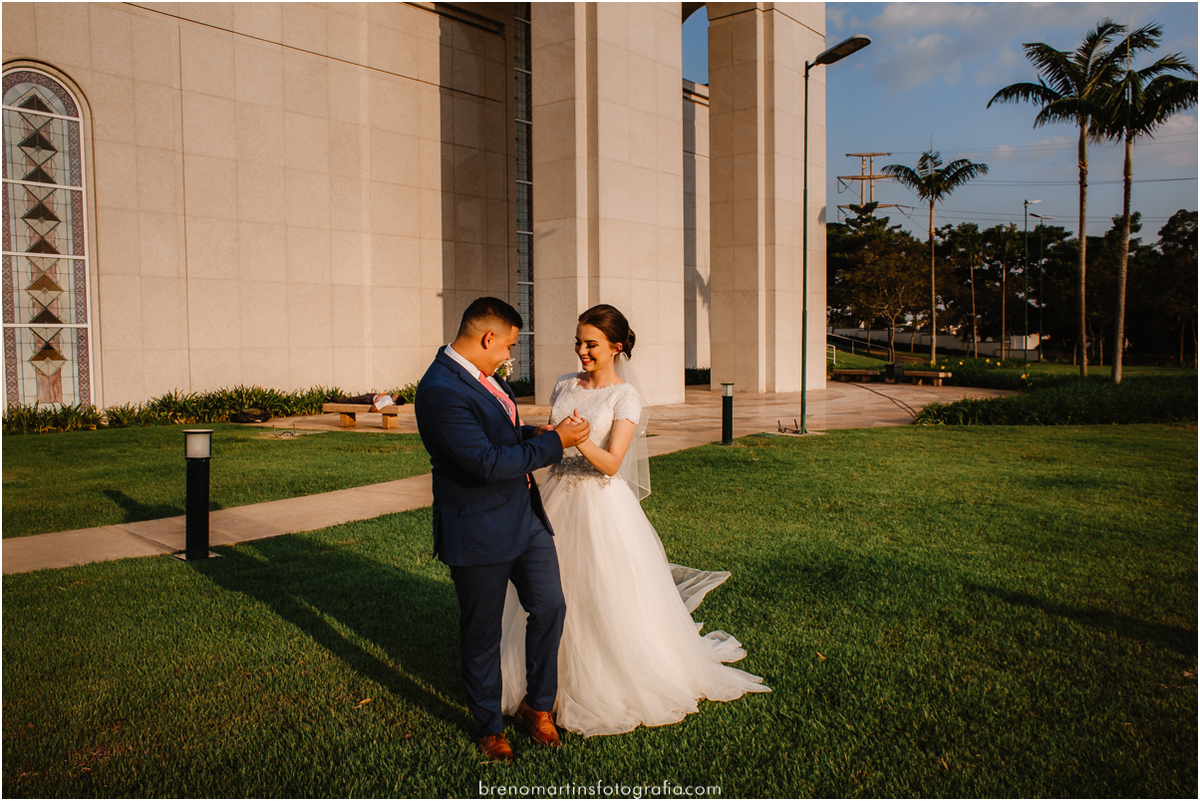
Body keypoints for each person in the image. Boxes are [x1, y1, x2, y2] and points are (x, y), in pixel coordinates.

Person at [499, 304, 769, 737]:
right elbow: (551, 437)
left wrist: (577, 439)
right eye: (578, 341)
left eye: (591, 344)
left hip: (600, 505)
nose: (581, 351)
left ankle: (598, 680)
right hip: (554, 498)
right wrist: (546, 434)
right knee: (544, 591)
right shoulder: (564, 383)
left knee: (600, 593)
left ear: (616, 346)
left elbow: (611, 463)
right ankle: (538, 683)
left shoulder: (625, 396)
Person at [415, 297, 591, 763]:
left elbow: (499, 436)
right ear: (487, 338)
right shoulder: (439, 390)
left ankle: (537, 705)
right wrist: (556, 443)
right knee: (482, 634)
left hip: (525, 519)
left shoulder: (484, 377)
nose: (509, 357)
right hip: (477, 531)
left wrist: (533, 433)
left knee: (551, 606)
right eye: (508, 347)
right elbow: (486, 463)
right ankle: (489, 726)